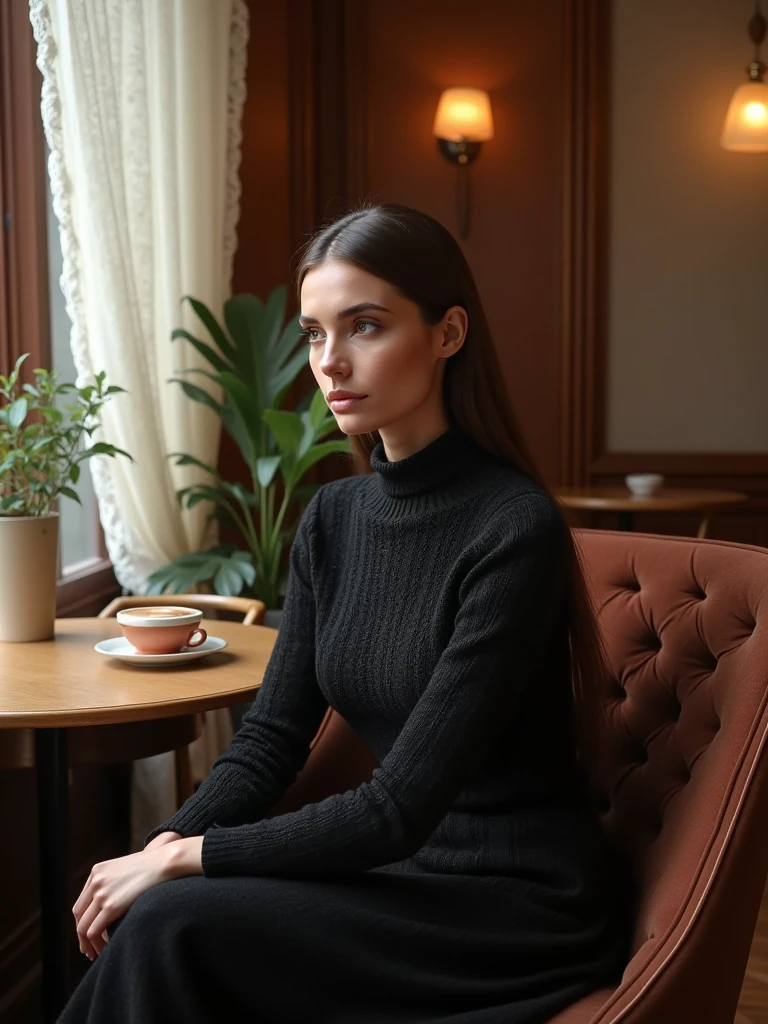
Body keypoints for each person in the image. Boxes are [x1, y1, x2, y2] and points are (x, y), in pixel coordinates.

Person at [58, 203, 633, 1023]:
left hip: (511, 905)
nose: (331, 363)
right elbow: (267, 743)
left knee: (170, 924)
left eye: (364, 326)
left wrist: (186, 858)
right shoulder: (335, 520)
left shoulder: (513, 528)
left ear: (448, 333)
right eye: (315, 332)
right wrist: (151, 850)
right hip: (396, 874)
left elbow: (396, 806)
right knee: (155, 910)